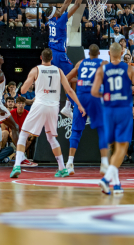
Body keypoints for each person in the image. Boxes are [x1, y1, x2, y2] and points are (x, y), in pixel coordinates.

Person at [12, 49, 85, 178]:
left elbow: (23, 90)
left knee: (23, 134)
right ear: (52, 58)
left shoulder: (36, 70)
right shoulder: (59, 70)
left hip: (40, 104)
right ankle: (62, 168)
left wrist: (33, 82)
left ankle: (17, 165)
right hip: (53, 107)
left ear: (41, 57)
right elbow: (69, 90)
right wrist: (79, 105)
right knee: (51, 138)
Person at [91, 42, 134, 195]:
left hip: (108, 111)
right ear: (122, 53)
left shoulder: (102, 69)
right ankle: (106, 179)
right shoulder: (129, 69)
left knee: (113, 148)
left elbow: (95, 91)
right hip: (123, 110)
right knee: (121, 148)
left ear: (109, 53)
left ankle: (116, 184)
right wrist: (132, 87)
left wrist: (107, 95)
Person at [64, 44, 109, 175]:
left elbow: (66, 79)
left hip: (81, 98)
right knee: (102, 130)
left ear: (88, 53)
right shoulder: (103, 63)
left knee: (76, 131)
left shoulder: (80, 63)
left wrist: (79, 81)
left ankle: (70, 163)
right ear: (99, 53)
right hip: (95, 97)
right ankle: (104, 164)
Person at [48, 0, 89, 119]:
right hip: (59, 54)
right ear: (56, 14)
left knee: (68, 78)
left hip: (52, 53)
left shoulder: (52, 20)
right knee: (71, 75)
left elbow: (66, 3)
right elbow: (76, 5)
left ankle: (67, 105)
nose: (61, 9)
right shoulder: (60, 21)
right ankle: (69, 104)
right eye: (58, 9)